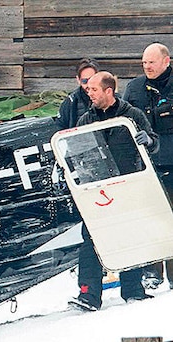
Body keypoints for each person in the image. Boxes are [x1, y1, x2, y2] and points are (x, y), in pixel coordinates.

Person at [69, 71, 158, 311]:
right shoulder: (86, 120)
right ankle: (88, 294)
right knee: (92, 239)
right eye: (88, 90)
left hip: (129, 185)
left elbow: (154, 141)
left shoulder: (132, 115)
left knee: (131, 236)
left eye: (94, 90)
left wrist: (148, 141)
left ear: (109, 91)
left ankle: (133, 291)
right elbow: (75, 153)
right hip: (98, 190)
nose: (90, 93)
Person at [124, 43, 173, 289]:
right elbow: (120, 118)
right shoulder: (134, 88)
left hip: (172, 162)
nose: (147, 67)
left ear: (166, 61)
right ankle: (153, 271)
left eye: (152, 62)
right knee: (151, 219)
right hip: (146, 166)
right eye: (144, 63)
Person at [58, 57, 99, 129]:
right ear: (78, 80)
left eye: (92, 79)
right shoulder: (70, 102)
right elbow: (60, 130)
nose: (89, 85)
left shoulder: (111, 98)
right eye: (85, 81)